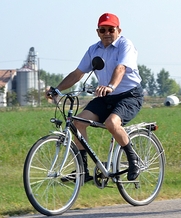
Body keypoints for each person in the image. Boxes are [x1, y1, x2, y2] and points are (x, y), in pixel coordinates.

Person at [48, 13, 143, 182]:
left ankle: (133, 159)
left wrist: (110, 86)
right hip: (105, 96)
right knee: (77, 123)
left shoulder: (125, 45)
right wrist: (57, 89)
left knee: (112, 123)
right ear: (97, 32)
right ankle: (83, 171)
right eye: (102, 29)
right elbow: (77, 74)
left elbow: (120, 68)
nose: (107, 33)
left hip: (128, 95)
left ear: (118, 30)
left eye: (111, 29)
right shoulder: (94, 50)